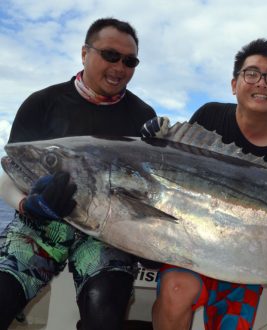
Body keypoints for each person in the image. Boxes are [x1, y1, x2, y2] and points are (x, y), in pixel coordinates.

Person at [142, 38, 267, 330]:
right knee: (176, 292)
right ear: (235, 84)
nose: (262, 83)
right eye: (252, 73)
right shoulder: (209, 116)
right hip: (191, 245)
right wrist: (156, 144)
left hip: (245, 260)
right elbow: (171, 175)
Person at [0, 17, 156, 330]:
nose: (119, 67)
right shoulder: (42, 103)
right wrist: (24, 204)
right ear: (84, 53)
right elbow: (10, 168)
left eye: (130, 61)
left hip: (105, 233)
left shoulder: (143, 118)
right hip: (41, 226)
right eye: (110, 55)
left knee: (105, 314)